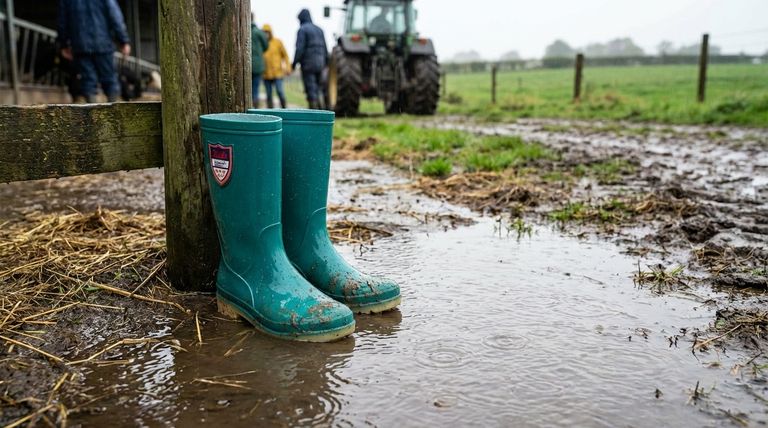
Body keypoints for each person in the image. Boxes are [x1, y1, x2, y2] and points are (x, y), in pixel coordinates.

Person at [57, 0, 131, 103]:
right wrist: (123, 40)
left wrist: (64, 44)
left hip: (80, 45)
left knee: (87, 81)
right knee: (109, 79)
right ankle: (115, 111)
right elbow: (115, 17)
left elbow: (62, 21)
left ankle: (92, 114)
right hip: (103, 44)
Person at [293, 9, 328, 109]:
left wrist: (294, 63)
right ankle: (322, 112)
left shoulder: (302, 30)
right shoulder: (319, 30)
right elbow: (325, 48)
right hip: (321, 64)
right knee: (319, 88)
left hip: (308, 64)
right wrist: (326, 63)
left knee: (311, 88)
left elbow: (299, 49)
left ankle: (314, 113)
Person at [262, 24, 291, 109]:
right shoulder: (262, 44)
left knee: (280, 91)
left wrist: (288, 67)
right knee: (269, 95)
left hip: (277, 73)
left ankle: (284, 109)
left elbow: (285, 56)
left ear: (270, 32)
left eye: (267, 32)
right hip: (266, 74)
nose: (266, 34)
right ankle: (270, 114)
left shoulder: (278, 42)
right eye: (264, 32)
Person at [251, 15, 268, 108]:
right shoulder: (259, 32)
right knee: (255, 89)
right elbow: (266, 45)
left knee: (247, 89)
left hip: (246, 66)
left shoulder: (241, 30)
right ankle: (255, 108)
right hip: (258, 65)